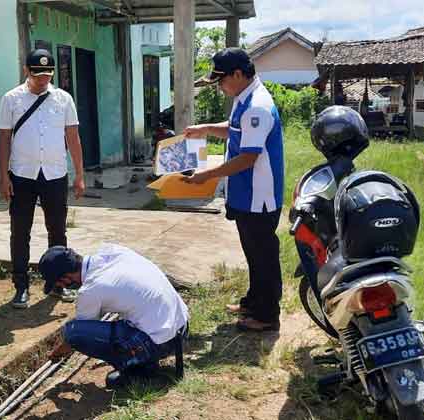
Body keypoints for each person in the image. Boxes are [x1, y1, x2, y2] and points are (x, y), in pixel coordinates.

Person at [183, 48, 284, 332]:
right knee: (252, 252)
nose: (219, 86)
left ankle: (267, 315)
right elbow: (235, 129)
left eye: (221, 80)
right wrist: (206, 128)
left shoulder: (257, 106)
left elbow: (248, 157)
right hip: (244, 194)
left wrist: (207, 176)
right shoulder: (244, 98)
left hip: (258, 197)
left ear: (238, 74)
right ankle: (253, 301)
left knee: (263, 255)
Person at [0, 49, 86, 309]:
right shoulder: (11, 99)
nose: (42, 79)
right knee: (20, 232)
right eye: (37, 75)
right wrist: (3, 177)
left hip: (55, 174)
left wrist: (80, 174)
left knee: (57, 231)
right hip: (22, 175)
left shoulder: (63, 99)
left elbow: (73, 138)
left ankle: (58, 284)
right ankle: (21, 286)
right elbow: (3, 140)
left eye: (47, 75)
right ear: (27, 71)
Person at [39, 244, 189, 388]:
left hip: (160, 343)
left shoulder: (90, 289)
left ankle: (136, 368)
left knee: (72, 331)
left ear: (65, 279)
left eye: (59, 284)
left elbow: (79, 334)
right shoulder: (113, 252)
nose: (62, 287)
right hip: (181, 327)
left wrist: (58, 352)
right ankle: (143, 358)